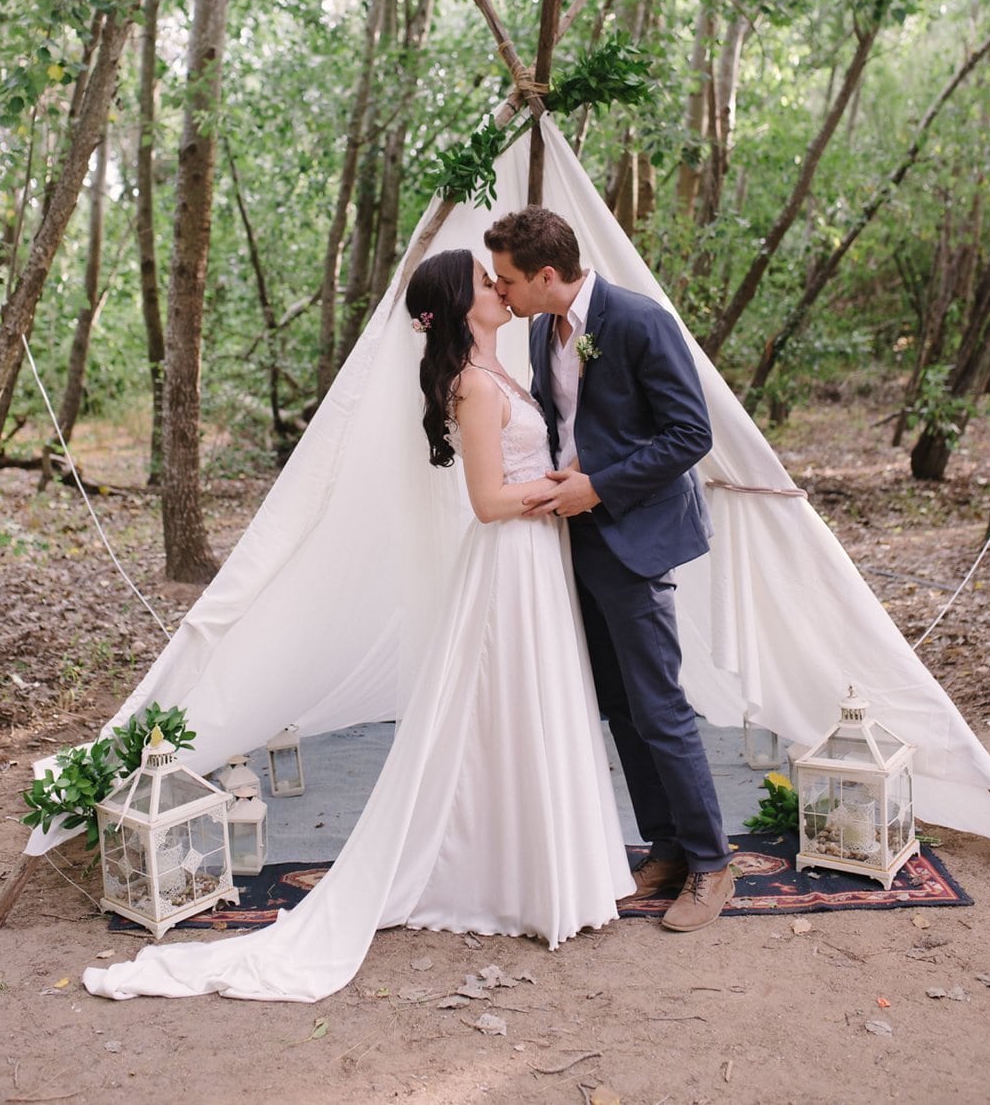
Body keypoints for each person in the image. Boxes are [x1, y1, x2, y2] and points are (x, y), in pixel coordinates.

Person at [83, 249, 633, 1004]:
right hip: (509, 561)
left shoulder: (509, 371)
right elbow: (486, 500)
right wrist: (567, 489)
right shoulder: (473, 385)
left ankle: (549, 867)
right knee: (507, 707)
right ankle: (513, 879)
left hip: (538, 560)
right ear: (459, 302)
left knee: (539, 706)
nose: (499, 289)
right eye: (484, 281)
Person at [485, 206, 734, 932]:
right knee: (619, 704)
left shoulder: (637, 320)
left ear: (548, 276)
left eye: (508, 279)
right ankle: (668, 846)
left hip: (635, 531)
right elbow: (564, 427)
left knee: (660, 704)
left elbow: (691, 432)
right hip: (577, 539)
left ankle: (714, 864)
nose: (502, 291)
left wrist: (600, 485)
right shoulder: (539, 327)